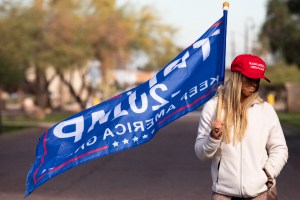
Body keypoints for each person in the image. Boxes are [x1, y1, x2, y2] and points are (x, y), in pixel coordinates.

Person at [194, 54, 288, 199]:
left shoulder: (265, 110)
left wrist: (267, 172)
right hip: (224, 195)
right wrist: (213, 138)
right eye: (250, 78)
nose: (254, 84)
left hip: (261, 193)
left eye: (257, 79)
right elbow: (201, 153)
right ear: (237, 77)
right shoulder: (213, 108)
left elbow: (280, 148)